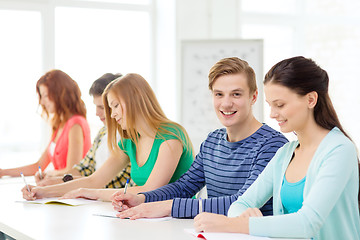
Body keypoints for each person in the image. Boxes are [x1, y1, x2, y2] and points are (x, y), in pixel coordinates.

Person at [193, 56, 360, 240]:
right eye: (270, 105)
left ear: (311, 99)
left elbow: (307, 223)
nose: (272, 114)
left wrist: (235, 224)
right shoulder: (285, 153)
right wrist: (244, 216)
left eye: (280, 105)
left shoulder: (340, 150)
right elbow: (240, 204)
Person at [111, 57, 288, 219]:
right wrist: (141, 198)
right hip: (214, 233)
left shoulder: (273, 146)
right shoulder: (212, 142)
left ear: (254, 96)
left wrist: (169, 207)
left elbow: (241, 202)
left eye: (236, 94)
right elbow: (184, 187)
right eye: (219, 94)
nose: (226, 103)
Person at [22, 73, 194, 201]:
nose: (112, 115)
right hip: (148, 218)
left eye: (115, 106)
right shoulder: (129, 141)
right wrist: (41, 192)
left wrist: (91, 193)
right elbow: (94, 180)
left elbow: (150, 190)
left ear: (134, 100)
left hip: (178, 222)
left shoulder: (171, 136)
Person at [36, 73, 133, 189]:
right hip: (97, 198)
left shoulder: (130, 137)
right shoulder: (103, 132)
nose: (97, 113)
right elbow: (84, 168)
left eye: (102, 107)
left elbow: (113, 182)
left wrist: (58, 185)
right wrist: (55, 180)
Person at [0, 70, 91, 178]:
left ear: (60, 94)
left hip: (69, 190)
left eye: (46, 96)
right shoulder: (61, 125)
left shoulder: (75, 124)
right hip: (60, 188)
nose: (42, 102)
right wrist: (4, 172)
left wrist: (48, 174)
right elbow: (38, 166)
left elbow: (72, 171)